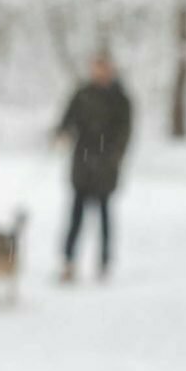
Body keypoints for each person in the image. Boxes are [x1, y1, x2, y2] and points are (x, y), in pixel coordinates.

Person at [54, 53, 133, 282]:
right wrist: (62, 133)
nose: (100, 72)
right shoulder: (83, 94)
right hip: (82, 165)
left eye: (104, 68)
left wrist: (113, 157)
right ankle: (68, 262)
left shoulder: (120, 99)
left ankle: (105, 263)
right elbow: (67, 118)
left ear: (111, 70)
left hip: (106, 168)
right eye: (96, 68)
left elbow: (124, 133)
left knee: (105, 217)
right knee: (75, 216)